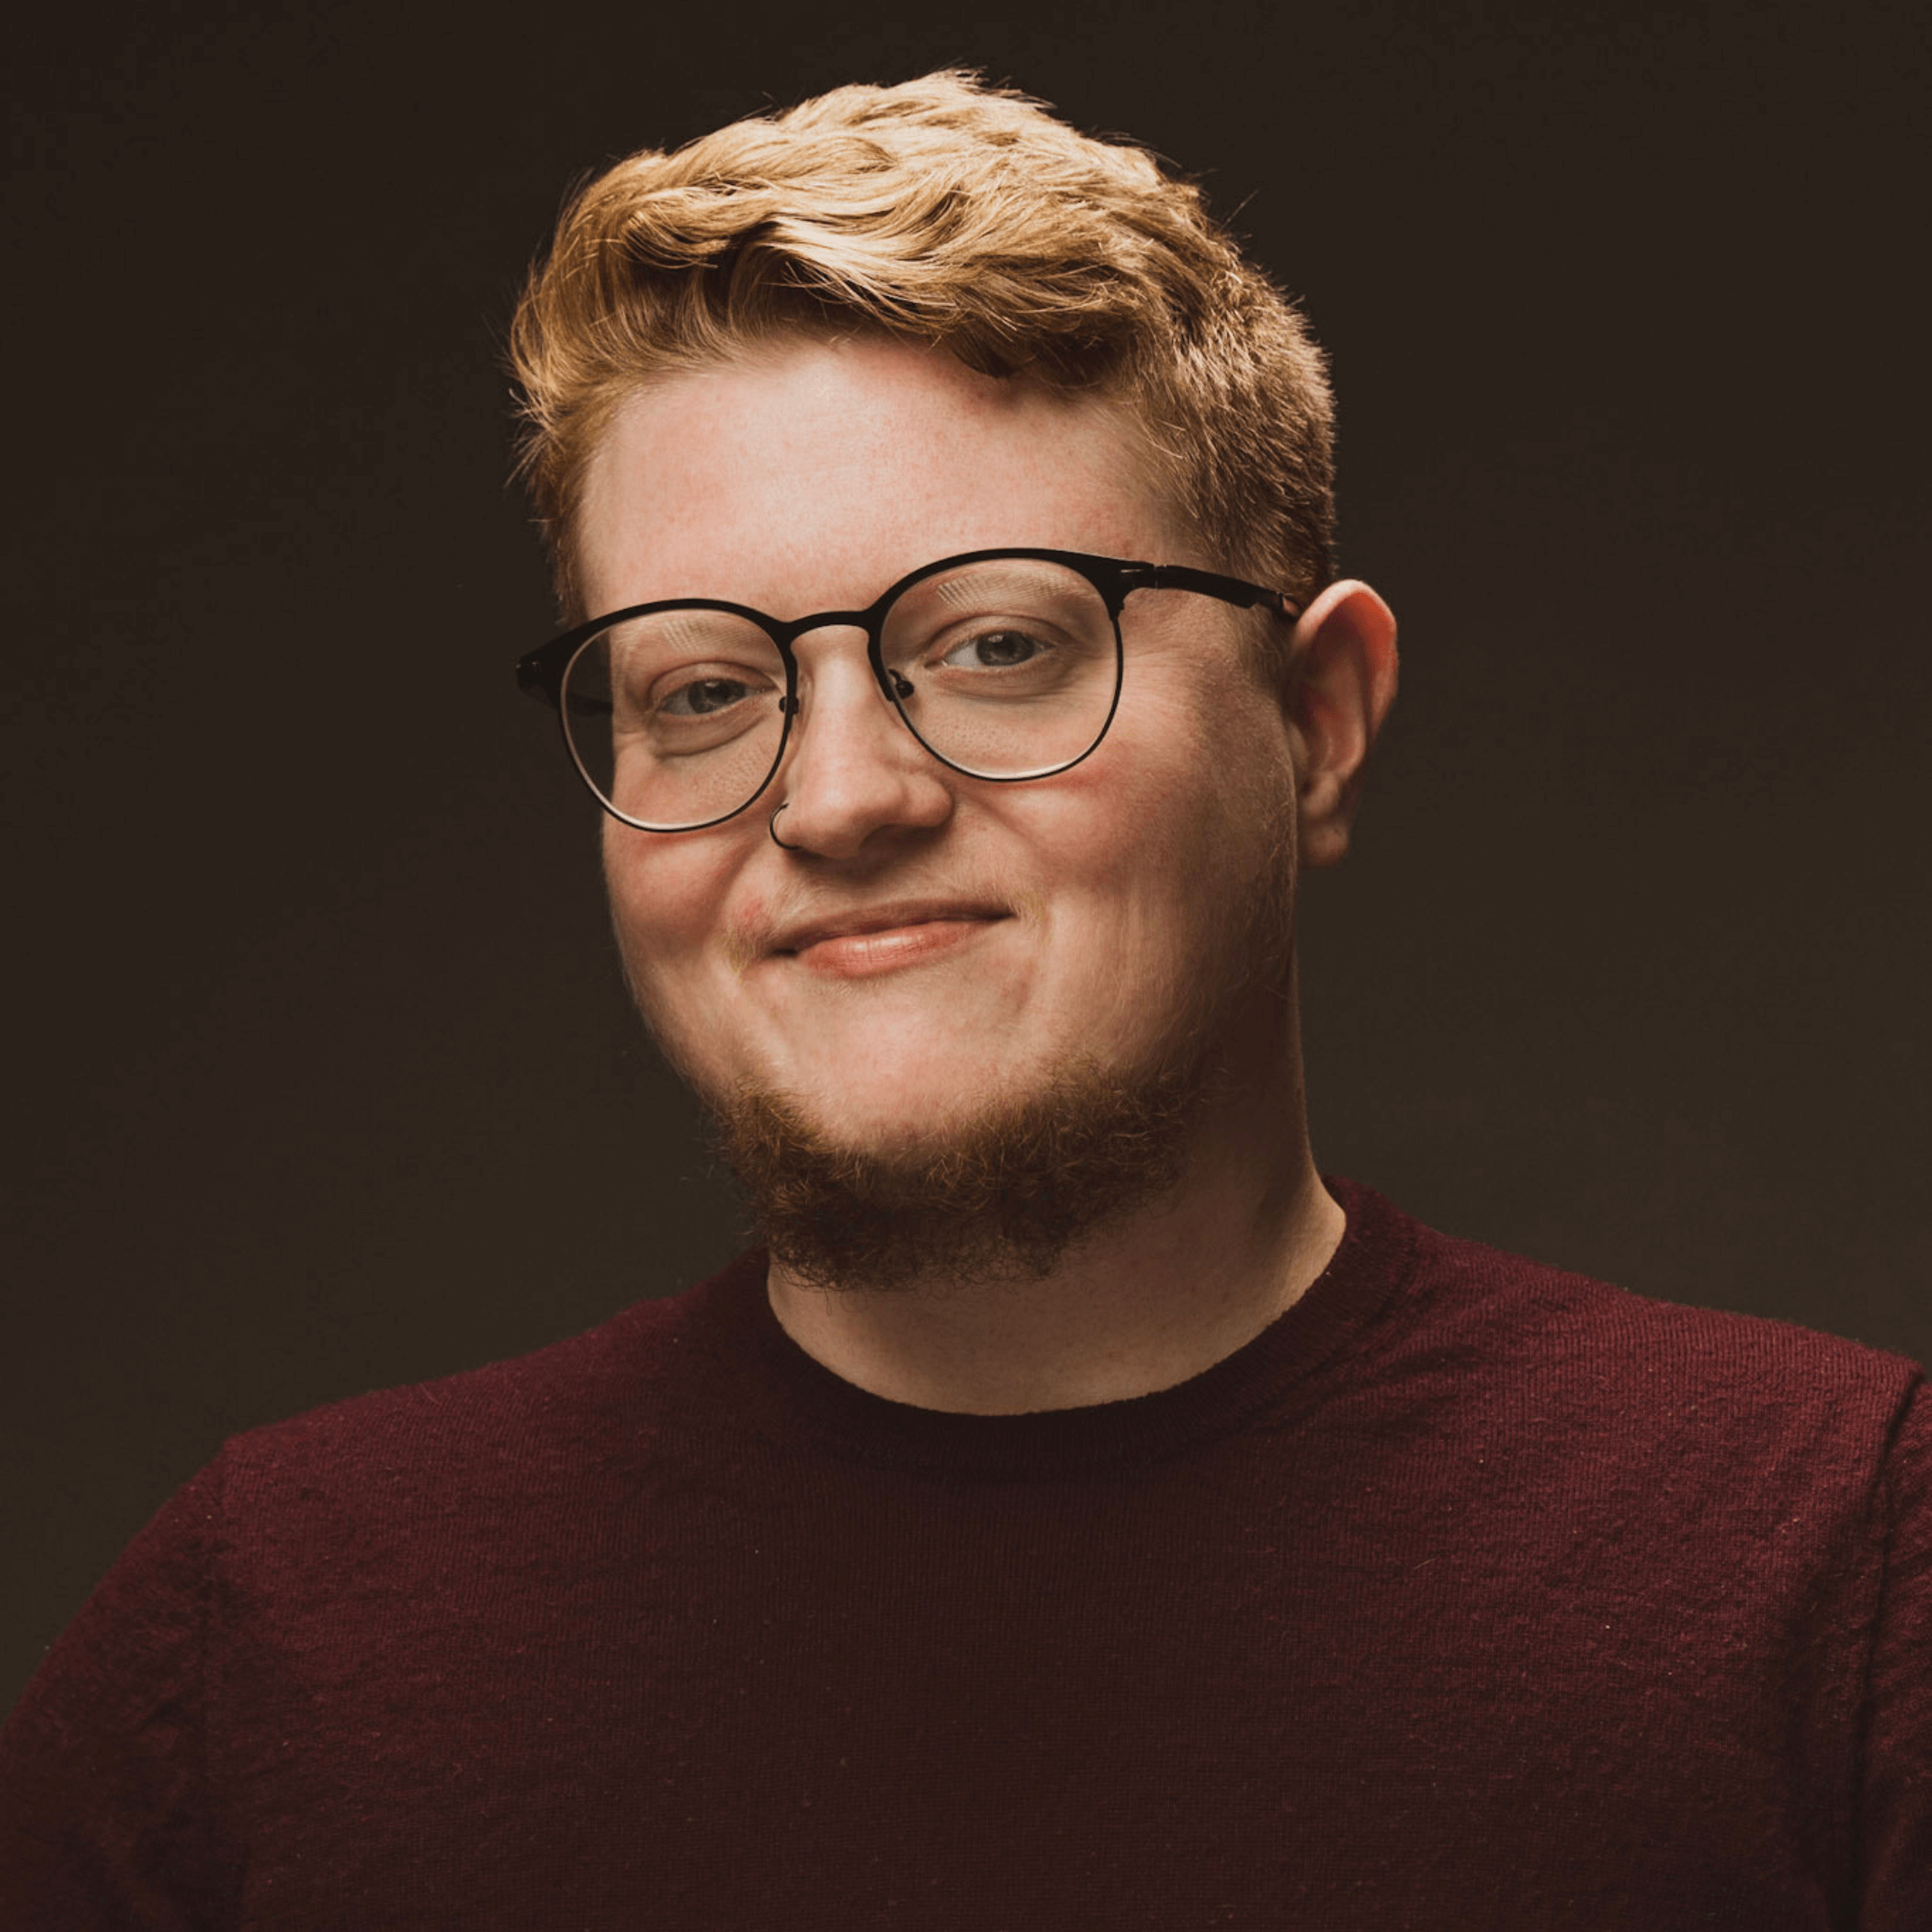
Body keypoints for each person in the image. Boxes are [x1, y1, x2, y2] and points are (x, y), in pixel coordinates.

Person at [2, 69, 1926, 1929]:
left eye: (999, 645)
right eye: (702, 689)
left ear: (1318, 721)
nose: (839, 799)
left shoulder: (1840, 1579)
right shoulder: (271, 1647)